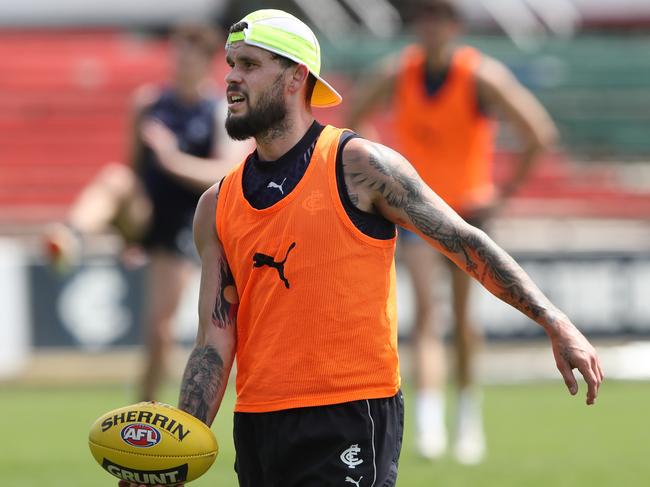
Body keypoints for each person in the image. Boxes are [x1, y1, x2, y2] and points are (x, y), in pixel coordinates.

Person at [118, 9, 601, 487]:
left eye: (249, 64)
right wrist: (176, 454)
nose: (231, 78)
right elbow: (213, 343)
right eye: (230, 64)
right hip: (259, 423)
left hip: (350, 414)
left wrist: (554, 322)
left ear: (295, 78)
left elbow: (464, 241)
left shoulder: (358, 166)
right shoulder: (216, 205)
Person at [346, 0, 559, 463]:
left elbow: (538, 132)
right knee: (424, 314)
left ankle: (466, 417)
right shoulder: (397, 72)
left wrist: (503, 193)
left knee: (463, 322)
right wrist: (381, 174)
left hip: (468, 213)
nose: (430, 26)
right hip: (420, 211)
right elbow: (354, 118)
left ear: (454, 25)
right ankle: (427, 422)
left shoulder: (481, 75)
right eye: (423, 17)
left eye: (439, 17)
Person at [45, 23, 250, 401]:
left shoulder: (219, 110)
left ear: (205, 61)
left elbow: (225, 172)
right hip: (146, 212)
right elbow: (134, 166)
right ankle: (70, 236)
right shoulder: (148, 102)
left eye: (189, 54)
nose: (180, 60)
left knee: (159, 327)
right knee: (115, 178)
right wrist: (127, 236)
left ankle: (145, 406)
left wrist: (172, 158)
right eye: (177, 52)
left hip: (186, 224)